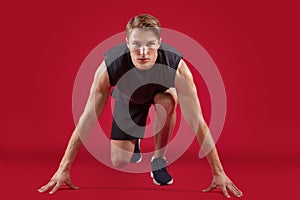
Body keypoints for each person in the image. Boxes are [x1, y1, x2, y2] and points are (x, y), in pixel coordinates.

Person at [38, 14, 243, 198]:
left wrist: (219, 173)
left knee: (167, 99)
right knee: (119, 160)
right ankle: (134, 140)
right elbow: (88, 118)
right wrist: (63, 169)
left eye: (150, 44)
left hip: (160, 94)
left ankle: (158, 160)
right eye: (136, 44)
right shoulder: (110, 67)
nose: (143, 52)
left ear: (159, 43)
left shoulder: (177, 67)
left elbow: (197, 121)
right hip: (129, 99)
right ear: (127, 43)